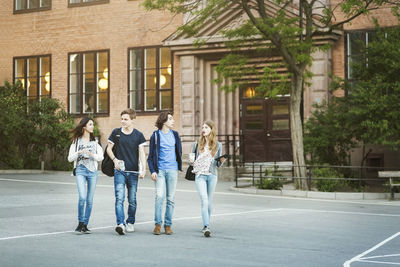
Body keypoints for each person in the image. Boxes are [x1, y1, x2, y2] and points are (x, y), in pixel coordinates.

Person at [106, 109, 146, 235]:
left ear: (132, 120)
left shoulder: (138, 135)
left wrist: (143, 169)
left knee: (132, 200)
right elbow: (109, 149)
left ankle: (130, 222)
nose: (123, 121)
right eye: (122, 118)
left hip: (133, 172)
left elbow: (142, 153)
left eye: (126, 119)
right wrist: (115, 160)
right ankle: (120, 224)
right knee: (119, 198)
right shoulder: (116, 133)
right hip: (120, 171)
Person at [147, 111, 182, 235]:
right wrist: (152, 171)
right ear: (164, 121)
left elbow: (179, 152)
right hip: (160, 171)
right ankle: (157, 224)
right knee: (159, 196)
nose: (173, 121)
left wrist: (179, 165)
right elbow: (150, 156)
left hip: (172, 170)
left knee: (171, 198)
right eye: (170, 119)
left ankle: (168, 225)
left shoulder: (175, 135)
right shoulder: (155, 136)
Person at [189, 120, 226, 237]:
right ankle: (206, 226)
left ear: (211, 130)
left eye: (206, 127)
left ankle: (207, 224)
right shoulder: (196, 144)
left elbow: (218, 165)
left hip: (212, 175)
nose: (203, 129)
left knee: (209, 202)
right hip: (200, 175)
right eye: (203, 127)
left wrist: (222, 161)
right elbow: (192, 161)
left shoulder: (218, 145)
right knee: (204, 200)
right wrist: (190, 161)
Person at [67, 117, 104, 234]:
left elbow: (101, 157)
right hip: (80, 170)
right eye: (90, 125)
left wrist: (91, 154)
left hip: (93, 172)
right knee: (82, 197)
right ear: (84, 127)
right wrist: (79, 153)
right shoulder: (76, 142)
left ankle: (85, 225)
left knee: (89, 200)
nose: (93, 126)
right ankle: (80, 222)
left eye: (93, 124)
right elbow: (69, 158)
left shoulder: (95, 142)